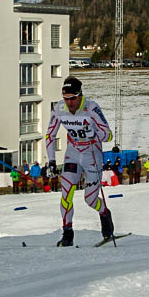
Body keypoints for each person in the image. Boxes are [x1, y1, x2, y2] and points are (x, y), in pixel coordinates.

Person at [45, 76, 114, 247]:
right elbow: (49, 135)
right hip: (73, 153)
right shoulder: (59, 109)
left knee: (90, 200)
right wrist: (52, 161)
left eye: (72, 98)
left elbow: (109, 135)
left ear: (80, 95)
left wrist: (94, 133)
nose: (69, 103)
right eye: (66, 98)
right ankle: (67, 233)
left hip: (92, 155)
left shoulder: (91, 108)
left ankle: (104, 212)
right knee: (66, 193)